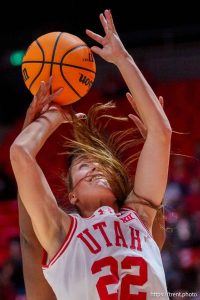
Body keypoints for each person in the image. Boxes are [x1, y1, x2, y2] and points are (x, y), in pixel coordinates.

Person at [10, 9, 171, 300]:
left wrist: (123, 59)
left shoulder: (139, 215)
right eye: (83, 166)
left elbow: (161, 132)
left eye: (98, 164)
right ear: (71, 196)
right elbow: (21, 153)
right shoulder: (60, 231)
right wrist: (55, 115)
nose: (95, 168)